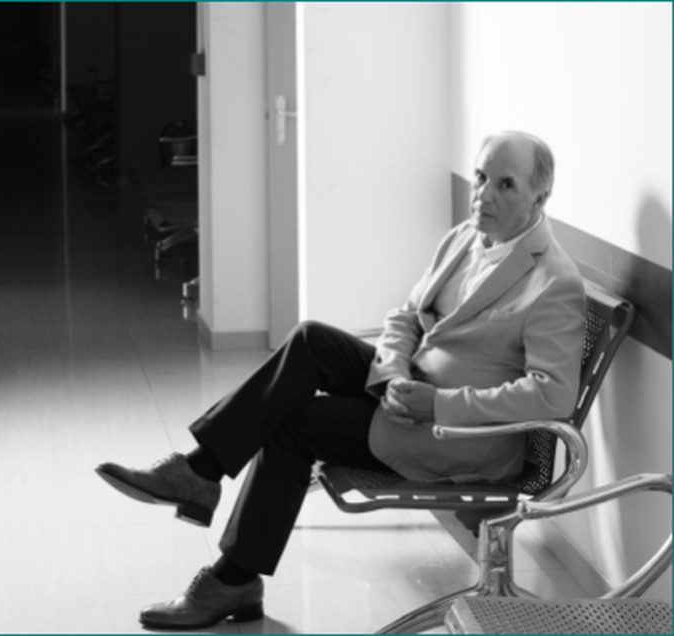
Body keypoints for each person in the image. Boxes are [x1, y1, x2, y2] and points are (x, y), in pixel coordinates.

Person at [96, 130, 586, 630]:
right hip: (409, 391)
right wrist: (392, 373)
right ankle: (200, 471)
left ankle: (232, 573)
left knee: (293, 423)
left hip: (455, 435)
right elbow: (406, 317)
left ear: (539, 197)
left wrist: (438, 404)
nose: (483, 194)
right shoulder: (464, 238)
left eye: (505, 184)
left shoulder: (554, 282)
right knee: (311, 339)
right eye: (480, 177)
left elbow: (553, 394)